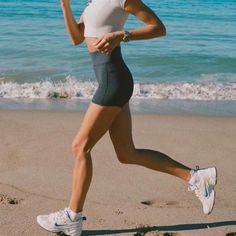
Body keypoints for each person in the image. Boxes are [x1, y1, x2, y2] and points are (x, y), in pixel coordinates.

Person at [36, 0, 217, 235]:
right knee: (127, 153)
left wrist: (122, 35)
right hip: (110, 80)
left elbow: (158, 27)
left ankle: (73, 216)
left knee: (80, 147)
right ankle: (196, 177)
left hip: (114, 79)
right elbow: (77, 38)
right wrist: (64, 5)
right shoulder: (91, 4)